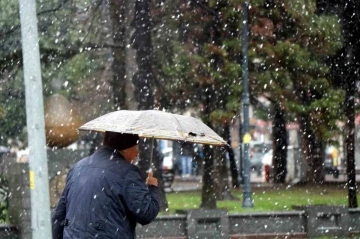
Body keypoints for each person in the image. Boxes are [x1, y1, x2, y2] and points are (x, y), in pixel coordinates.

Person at [52, 131, 160, 239]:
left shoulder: (78, 167)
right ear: (125, 148)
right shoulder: (127, 173)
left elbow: (59, 216)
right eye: (135, 147)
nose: (137, 153)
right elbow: (146, 213)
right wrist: (152, 187)